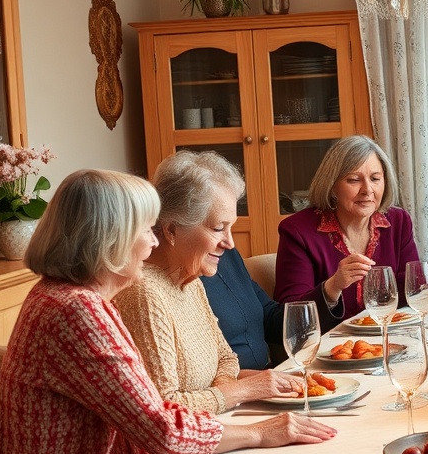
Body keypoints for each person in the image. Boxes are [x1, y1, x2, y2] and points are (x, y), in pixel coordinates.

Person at [0, 170, 335, 454]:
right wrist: (260, 433)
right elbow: (163, 429)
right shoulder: (77, 311)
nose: (154, 243)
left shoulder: (68, 299)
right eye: (145, 231)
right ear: (111, 239)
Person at [116, 151, 306, 413]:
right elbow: (165, 408)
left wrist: (225, 392)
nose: (230, 243)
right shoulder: (144, 294)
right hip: (195, 433)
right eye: (218, 228)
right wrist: (243, 390)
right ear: (171, 230)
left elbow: (226, 359)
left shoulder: (189, 279)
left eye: (231, 227)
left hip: (218, 418)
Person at [274, 135, 419, 329]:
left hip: (389, 335)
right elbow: (291, 315)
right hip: (330, 343)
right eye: (354, 180)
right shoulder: (298, 231)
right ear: (332, 185)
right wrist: (333, 286)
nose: (367, 190)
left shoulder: (398, 222)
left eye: (375, 179)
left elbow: (413, 290)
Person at [201, 247, 283, 370]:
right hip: (234, 380)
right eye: (217, 231)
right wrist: (253, 379)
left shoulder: (229, 253)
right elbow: (196, 372)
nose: (230, 243)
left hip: (270, 372)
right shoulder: (181, 279)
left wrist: (310, 310)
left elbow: (267, 314)